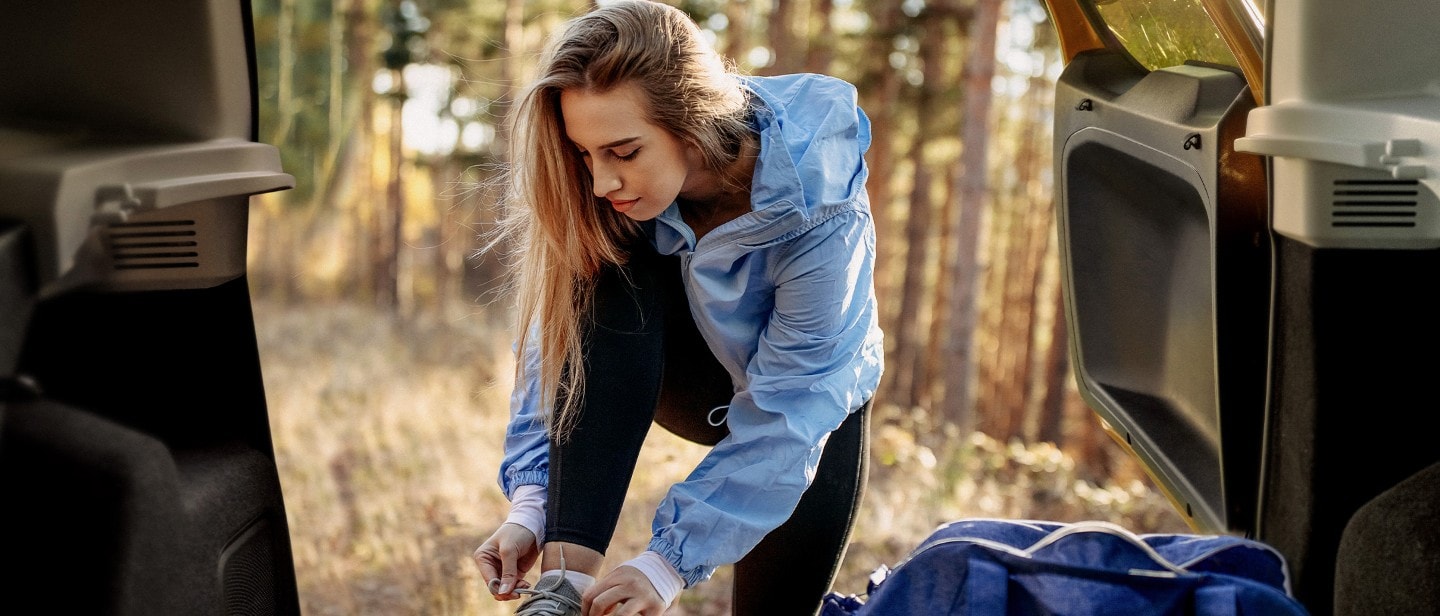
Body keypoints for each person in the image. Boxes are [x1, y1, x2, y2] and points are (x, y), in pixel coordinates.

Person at [471, 1, 883, 614]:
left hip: (806, 406)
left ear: (691, 122)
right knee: (606, 261)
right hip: (674, 378)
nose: (601, 181)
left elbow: (796, 402)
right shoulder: (613, 203)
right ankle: (564, 586)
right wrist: (533, 502)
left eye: (624, 152)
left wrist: (666, 564)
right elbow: (556, 344)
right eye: (586, 155)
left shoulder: (823, 210)